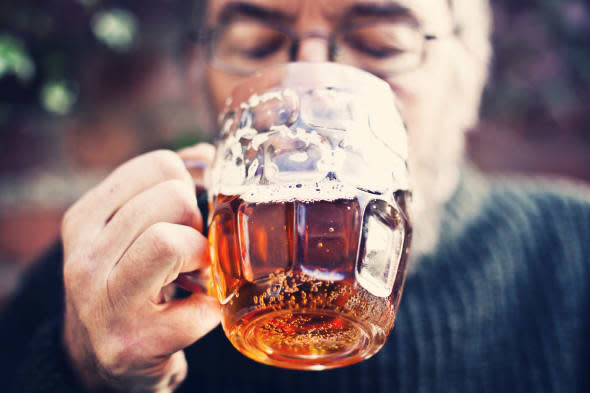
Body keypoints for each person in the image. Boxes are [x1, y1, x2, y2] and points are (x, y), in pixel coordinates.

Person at [1, 0, 589, 392]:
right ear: (197, 72)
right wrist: (78, 372)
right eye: (257, 45)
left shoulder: (578, 257)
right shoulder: (85, 291)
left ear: (472, 71)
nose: (311, 90)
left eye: (381, 44)